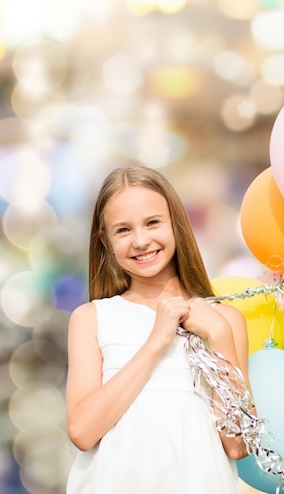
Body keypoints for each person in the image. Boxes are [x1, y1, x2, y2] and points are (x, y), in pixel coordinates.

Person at [65, 165, 250, 493]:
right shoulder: (91, 318)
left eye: (152, 223)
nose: (141, 240)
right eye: (123, 230)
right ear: (105, 241)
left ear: (176, 224)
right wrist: (155, 342)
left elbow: (237, 446)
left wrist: (220, 338)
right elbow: (82, 431)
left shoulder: (224, 321)